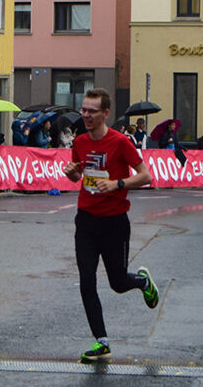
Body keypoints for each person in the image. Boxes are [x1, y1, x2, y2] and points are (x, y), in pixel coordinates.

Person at [62, 88, 159, 364]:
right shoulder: (80, 142)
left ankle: (142, 281)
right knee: (86, 281)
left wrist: (117, 184)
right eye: (83, 110)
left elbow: (146, 176)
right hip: (86, 220)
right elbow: (79, 177)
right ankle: (102, 342)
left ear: (105, 113)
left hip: (115, 221)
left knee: (117, 283)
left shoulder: (120, 142)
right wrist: (72, 174)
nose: (86, 115)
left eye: (92, 111)